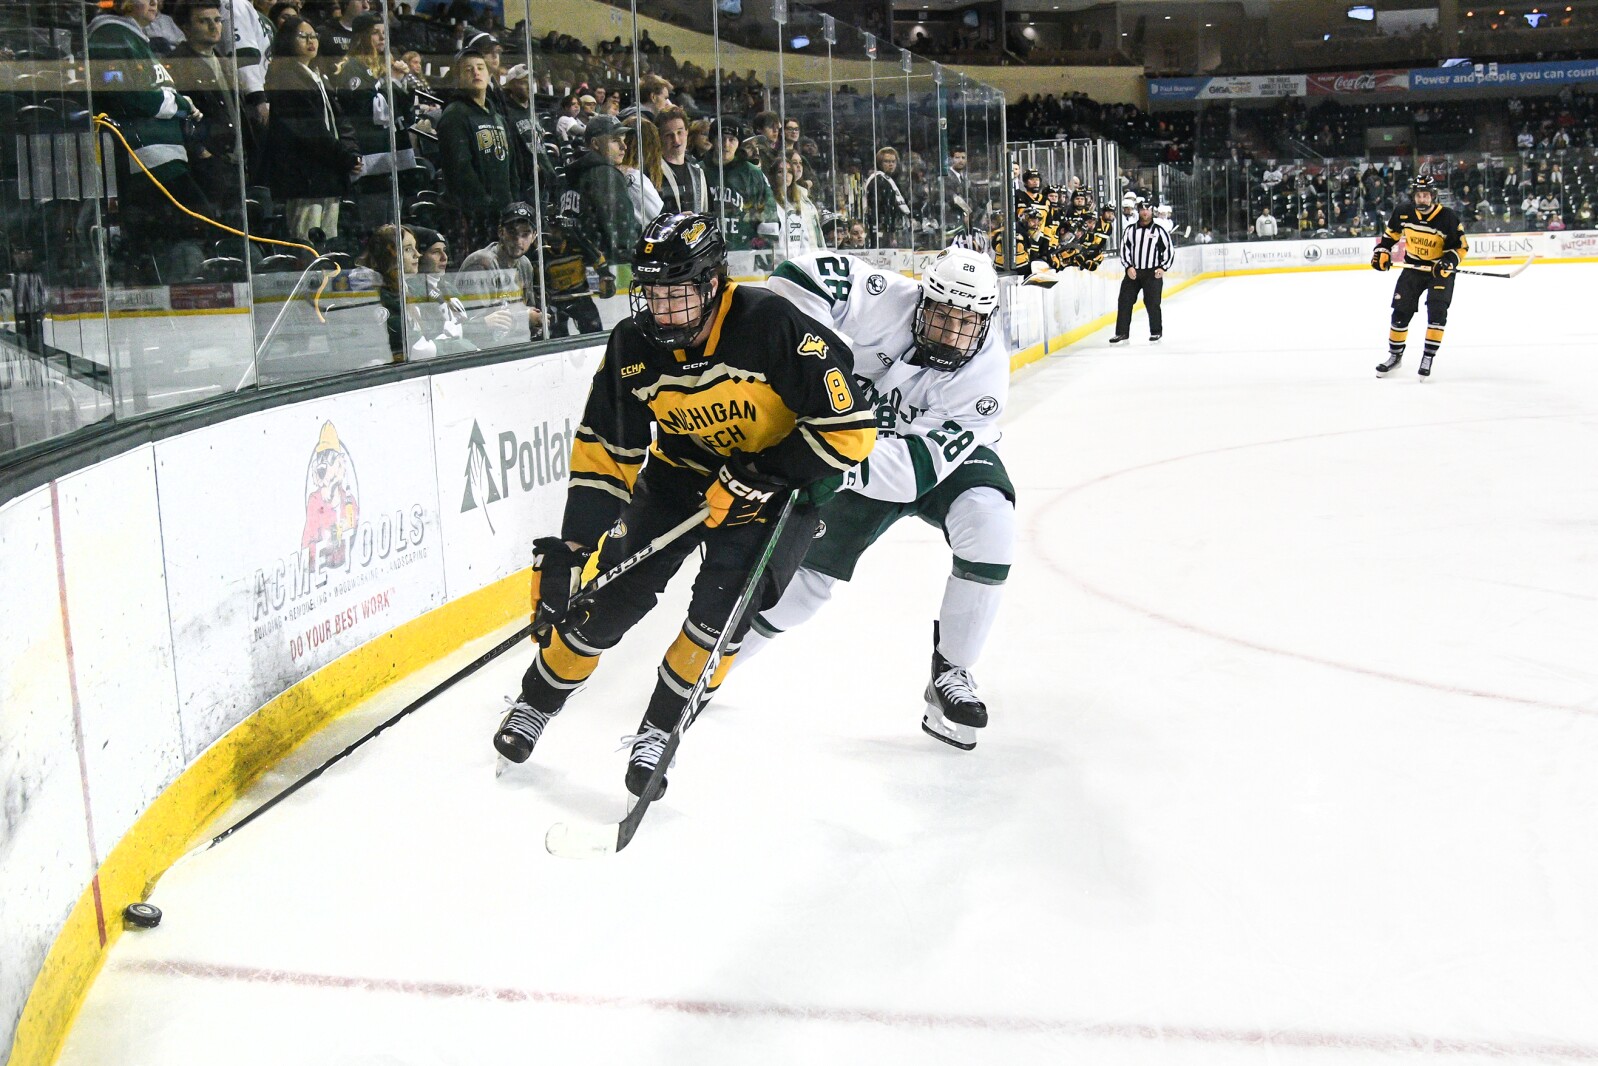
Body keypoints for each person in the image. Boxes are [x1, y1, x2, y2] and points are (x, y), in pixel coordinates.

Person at [492, 211, 877, 797]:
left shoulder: (770, 324)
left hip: (775, 491)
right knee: (607, 599)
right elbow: (606, 451)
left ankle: (659, 731)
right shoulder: (632, 343)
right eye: (652, 294)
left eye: (677, 295)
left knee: (717, 619)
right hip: (677, 478)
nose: (662, 311)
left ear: (712, 284)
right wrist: (572, 547)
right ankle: (535, 704)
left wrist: (762, 473)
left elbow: (849, 429)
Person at [751, 246, 1012, 750]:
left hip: (925, 461)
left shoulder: (985, 376)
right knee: (802, 588)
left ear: (986, 321)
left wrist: (832, 463)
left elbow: (916, 470)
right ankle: (713, 664)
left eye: (967, 323)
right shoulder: (885, 298)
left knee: (990, 522)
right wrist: (812, 355)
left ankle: (951, 672)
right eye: (940, 316)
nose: (951, 334)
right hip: (860, 441)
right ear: (922, 300)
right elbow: (796, 273)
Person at [262, 15, 360, 241]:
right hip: (305, 179)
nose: (311, 41)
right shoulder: (286, 78)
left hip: (327, 175)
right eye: (303, 36)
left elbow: (340, 121)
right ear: (287, 40)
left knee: (328, 244)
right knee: (307, 244)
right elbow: (310, 132)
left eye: (313, 36)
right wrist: (344, 157)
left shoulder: (317, 76)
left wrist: (351, 153)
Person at [1371, 174, 1468, 378]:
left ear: (1433, 196)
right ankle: (1395, 356)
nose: (1422, 199)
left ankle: (1428, 356)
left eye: (1425, 195)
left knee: (1437, 312)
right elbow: (1390, 237)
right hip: (1413, 267)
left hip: (1439, 271)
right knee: (1399, 314)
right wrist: (1382, 251)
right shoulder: (1403, 212)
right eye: (1418, 195)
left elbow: (1461, 247)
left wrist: (1448, 261)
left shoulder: (1447, 217)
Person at [437, 48, 515, 246]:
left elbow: (511, 164)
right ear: (458, 78)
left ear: (489, 75)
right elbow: (460, 169)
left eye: (480, 68)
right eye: (468, 69)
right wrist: (485, 205)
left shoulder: (497, 117)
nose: (475, 72)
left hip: (501, 214)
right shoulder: (454, 115)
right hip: (471, 217)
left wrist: (511, 202)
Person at [457, 201, 544, 345]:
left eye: (525, 234)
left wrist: (538, 321)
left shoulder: (524, 264)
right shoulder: (481, 263)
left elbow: (528, 311)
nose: (518, 240)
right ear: (500, 232)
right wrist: (525, 319)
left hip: (517, 347)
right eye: (512, 232)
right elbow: (473, 327)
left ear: (534, 236)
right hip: (487, 354)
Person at [1109, 198, 1174, 344]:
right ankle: (1121, 333)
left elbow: (1169, 249)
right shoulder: (1130, 230)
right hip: (1133, 272)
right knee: (1124, 301)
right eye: (1142, 209)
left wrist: (1163, 267)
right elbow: (1124, 249)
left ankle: (1156, 331)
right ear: (1138, 211)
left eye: (1148, 209)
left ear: (1152, 211)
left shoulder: (1159, 230)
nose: (1145, 212)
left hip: (1152, 272)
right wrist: (1128, 266)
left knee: (1152, 302)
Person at [766, 150, 825, 257]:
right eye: (780, 171)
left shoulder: (797, 201)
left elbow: (805, 239)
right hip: (779, 265)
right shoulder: (769, 203)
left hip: (799, 264)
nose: (785, 175)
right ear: (773, 175)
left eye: (789, 171)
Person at [655, 106, 708, 215]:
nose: (676, 140)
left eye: (679, 132)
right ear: (660, 137)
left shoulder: (698, 171)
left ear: (687, 132)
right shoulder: (653, 172)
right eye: (669, 135)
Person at [862, 146, 912, 248]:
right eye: (887, 161)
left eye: (893, 161)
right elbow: (881, 208)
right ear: (880, 163)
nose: (891, 164)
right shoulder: (878, 180)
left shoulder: (891, 181)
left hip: (892, 228)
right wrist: (890, 232)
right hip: (882, 230)